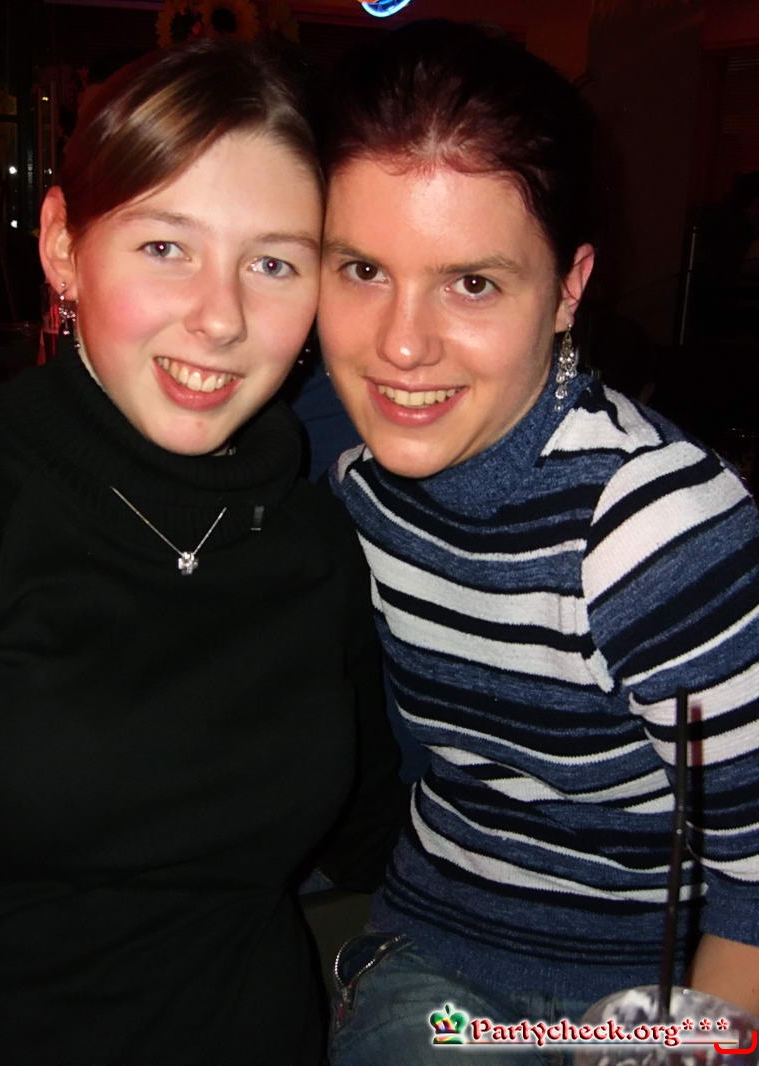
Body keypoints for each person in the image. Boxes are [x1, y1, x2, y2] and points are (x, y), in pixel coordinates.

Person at [315, 20, 759, 1064]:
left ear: (567, 288)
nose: (401, 345)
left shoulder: (652, 534)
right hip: (435, 957)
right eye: (363, 269)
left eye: (472, 282)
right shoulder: (361, 486)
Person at [0, 39, 401, 1066]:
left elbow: (381, 832)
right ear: (62, 247)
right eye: (166, 246)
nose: (221, 318)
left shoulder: (314, 539)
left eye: (273, 263)